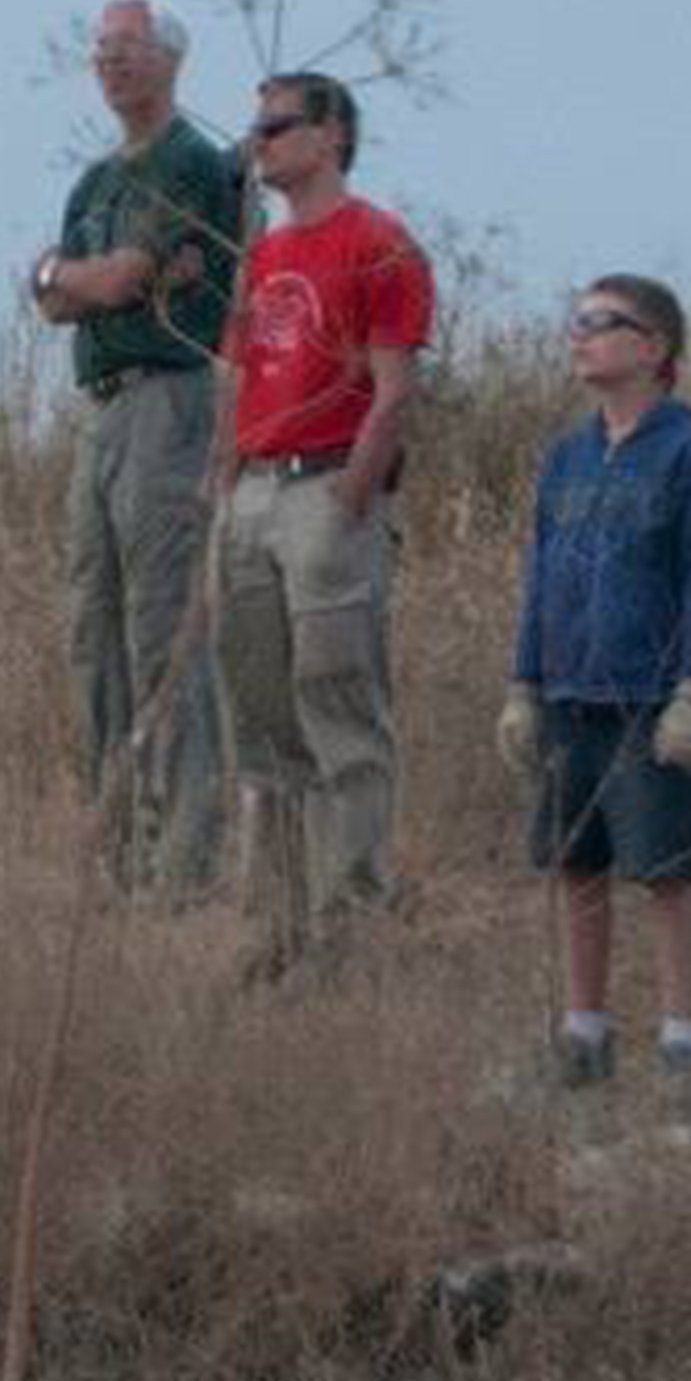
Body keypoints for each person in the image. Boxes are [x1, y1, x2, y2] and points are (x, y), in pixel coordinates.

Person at [22, 0, 252, 894]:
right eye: (101, 47)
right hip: (101, 405)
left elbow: (116, 281)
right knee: (94, 630)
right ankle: (116, 851)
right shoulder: (94, 182)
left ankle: (183, 857)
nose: (110, 60)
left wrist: (71, 276)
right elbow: (50, 299)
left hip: (169, 397)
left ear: (169, 58)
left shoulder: (189, 161)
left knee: (163, 627)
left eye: (128, 45)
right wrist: (68, 277)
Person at [205, 69, 432, 972]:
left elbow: (395, 387)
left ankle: (352, 918)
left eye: (277, 125)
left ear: (331, 132)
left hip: (325, 485)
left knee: (337, 699)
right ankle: (279, 922)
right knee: (261, 710)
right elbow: (239, 375)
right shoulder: (262, 255)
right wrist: (226, 484)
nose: (258, 141)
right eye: (255, 127)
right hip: (254, 491)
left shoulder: (377, 243)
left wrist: (351, 495)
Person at [509, 270, 691, 1089]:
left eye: (602, 321)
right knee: (576, 862)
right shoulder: (565, 457)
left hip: (649, 698)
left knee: (665, 869)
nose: (580, 334)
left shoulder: (690, 452)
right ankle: (584, 1034)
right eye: (575, 319)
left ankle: (680, 1042)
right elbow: (538, 576)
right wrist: (522, 685)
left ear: (653, 347)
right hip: (568, 691)